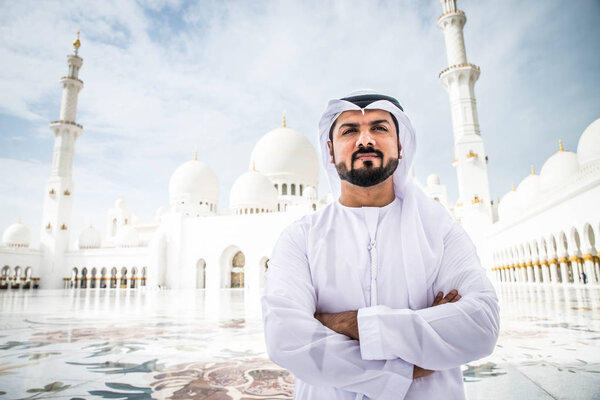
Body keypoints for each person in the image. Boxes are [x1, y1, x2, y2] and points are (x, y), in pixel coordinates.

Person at [261, 90, 500, 399]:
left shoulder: (438, 230)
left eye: (379, 128)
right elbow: (285, 338)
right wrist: (411, 362)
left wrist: (341, 323)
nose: (365, 140)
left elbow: (481, 325)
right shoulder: (302, 238)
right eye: (350, 130)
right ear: (330, 152)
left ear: (400, 146)